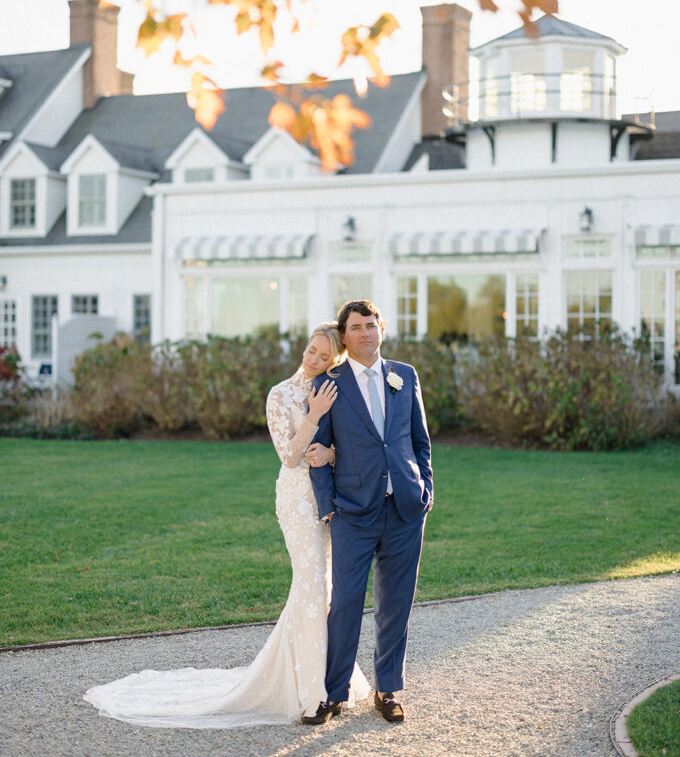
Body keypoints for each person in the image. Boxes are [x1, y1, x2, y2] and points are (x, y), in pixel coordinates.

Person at [83, 323, 370, 728]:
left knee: (322, 588)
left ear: (336, 359)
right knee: (309, 584)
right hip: (296, 500)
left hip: (330, 501)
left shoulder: (335, 391)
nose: (314, 360)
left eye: (325, 356)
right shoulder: (279, 395)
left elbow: (348, 448)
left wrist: (334, 452)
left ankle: (329, 680)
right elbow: (289, 456)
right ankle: (311, 695)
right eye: (311, 350)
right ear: (304, 347)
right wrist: (315, 414)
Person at [307, 300, 433, 725]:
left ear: (382, 329)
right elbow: (317, 452)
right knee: (345, 603)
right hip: (353, 512)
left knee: (396, 603)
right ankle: (333, 693)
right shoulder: (329, 383)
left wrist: (425, 490)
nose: (365, 333)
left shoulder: (405, 375)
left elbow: (420, 441)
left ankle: (387, 689)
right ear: (345, 336)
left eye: (371, 325)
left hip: (405, 508)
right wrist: (328, 507)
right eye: (356, 327)